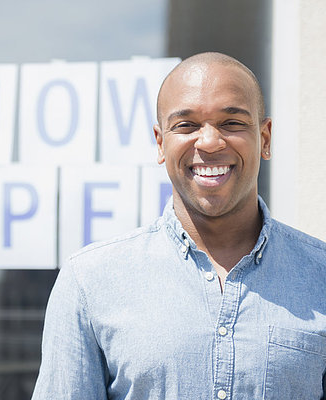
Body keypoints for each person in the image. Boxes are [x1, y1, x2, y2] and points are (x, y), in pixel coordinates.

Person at [31, 52, 326, 399]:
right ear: (160, 142)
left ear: (265, 138)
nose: (210, 142)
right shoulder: (90, 281)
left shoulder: (318, 275)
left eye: (231, 123)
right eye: (186, 125)